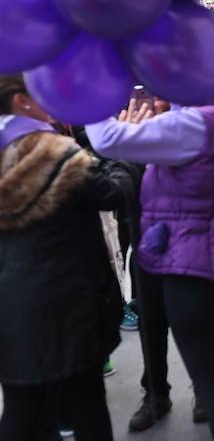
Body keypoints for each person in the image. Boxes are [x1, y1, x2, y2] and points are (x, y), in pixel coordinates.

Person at [86, 49, 214, 441]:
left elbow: (107, 139)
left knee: (213, 385)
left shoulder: (195, 126)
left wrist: (87, 96)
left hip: (192, 274)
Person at [0, 75, 136, 440]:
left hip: (10, 311)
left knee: (22, 407)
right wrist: (120, 150)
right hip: (63, 306)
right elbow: (113, 191)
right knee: (85, 403)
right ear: (21, 101)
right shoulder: (48, 151)